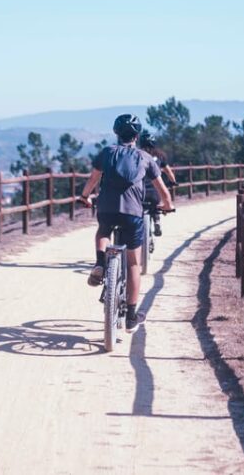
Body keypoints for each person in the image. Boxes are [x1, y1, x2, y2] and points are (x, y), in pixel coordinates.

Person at [78, 114, 174, 333]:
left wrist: (84, 197)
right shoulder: (145, 158)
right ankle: (131, 316)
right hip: (132, 213)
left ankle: (100, 263)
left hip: (107, 208)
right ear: (137, 136)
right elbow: (162, 190)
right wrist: (167, 205)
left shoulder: (107, 153)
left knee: (103, 231)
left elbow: (93, 180)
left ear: (116, 133)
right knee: (133, 263)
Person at [138, 130, 177, 236]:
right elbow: (169, 172)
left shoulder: (136, 156)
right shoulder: (160, 157)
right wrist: (173, 182)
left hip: (139, 192)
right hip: (154, 193)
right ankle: (157, 221)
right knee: (156, 205)